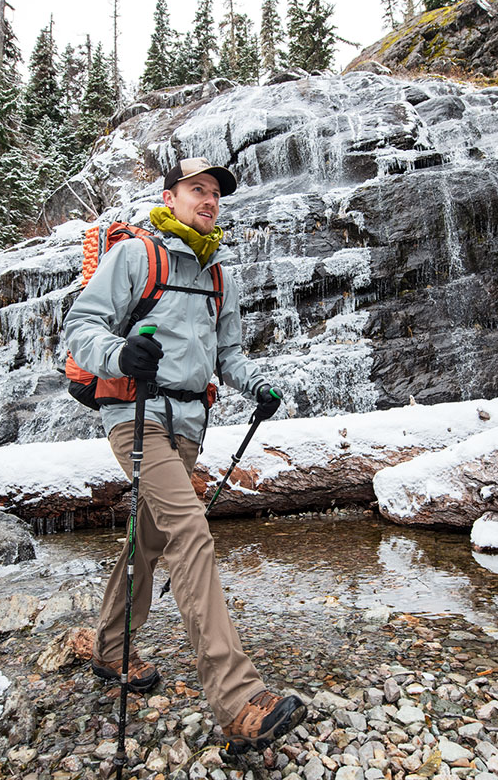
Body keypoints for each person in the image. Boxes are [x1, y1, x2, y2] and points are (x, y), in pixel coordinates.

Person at [62, 156, 305, 753]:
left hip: (190, 425)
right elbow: (80, 326)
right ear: (170, 197)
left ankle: (110, 647)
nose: (209, 200)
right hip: (136, 416)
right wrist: (123, 357)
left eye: (216, 194)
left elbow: (232, 354)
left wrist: (256, 385)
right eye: (197, 190)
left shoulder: (221, 275)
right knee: (189, 531)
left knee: (149, 539)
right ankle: (237, 699)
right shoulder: (135, 256)